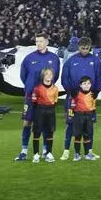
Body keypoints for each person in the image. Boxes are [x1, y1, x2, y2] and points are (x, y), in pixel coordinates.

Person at [16, 34, 60, 162]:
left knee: (46, 124)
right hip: (31, 96)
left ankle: (46, 151)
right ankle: (24, 151)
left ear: (46, 42)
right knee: (27, 122)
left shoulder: (54, 58)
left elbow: (55, 76)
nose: (38, 43)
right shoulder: (29, 58)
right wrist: (30, 87)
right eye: (36, 41)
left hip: (46, 97)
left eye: (41, 41)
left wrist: (47, 90)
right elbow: (23, 76)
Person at [59, 37, 101, 161]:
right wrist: (70, 90)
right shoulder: (71, 61)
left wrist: (97, 91)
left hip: (89, 99)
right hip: (73, 98)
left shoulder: (95, 60)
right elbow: (64, 78)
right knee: (70, 124)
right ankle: (66, 151)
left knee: (89, 126)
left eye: (87, 48)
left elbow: (99, 76)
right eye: (83, 48)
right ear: (78, 47)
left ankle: (89, 151)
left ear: (90, 47)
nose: (85, 50)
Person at [29, 67, 59, 163]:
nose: (49, 76)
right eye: (47, 74)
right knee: (37, 132)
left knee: (50, 133)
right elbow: (34, 102)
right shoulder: (37, 88)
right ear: (43, 76)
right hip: (39, 111)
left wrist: (49, 108)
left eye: (51, 74)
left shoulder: (55, 88)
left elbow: (55, 101)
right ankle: (36, 154)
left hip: (50, 112)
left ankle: (49, 153)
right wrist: (40, 109)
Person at [69, 76, 98, 161]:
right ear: (80, 85)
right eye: (84, 84)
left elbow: (93, 107)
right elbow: (72, 106)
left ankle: (87, 154)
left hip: (88, 116)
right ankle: (77, 154)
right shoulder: (76, 94)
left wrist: (93, 117)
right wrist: (70, 116)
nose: (87, 85)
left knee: (87, 135)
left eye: (88, 83)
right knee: (78, 135)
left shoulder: (92, 95)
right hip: (78, 116)